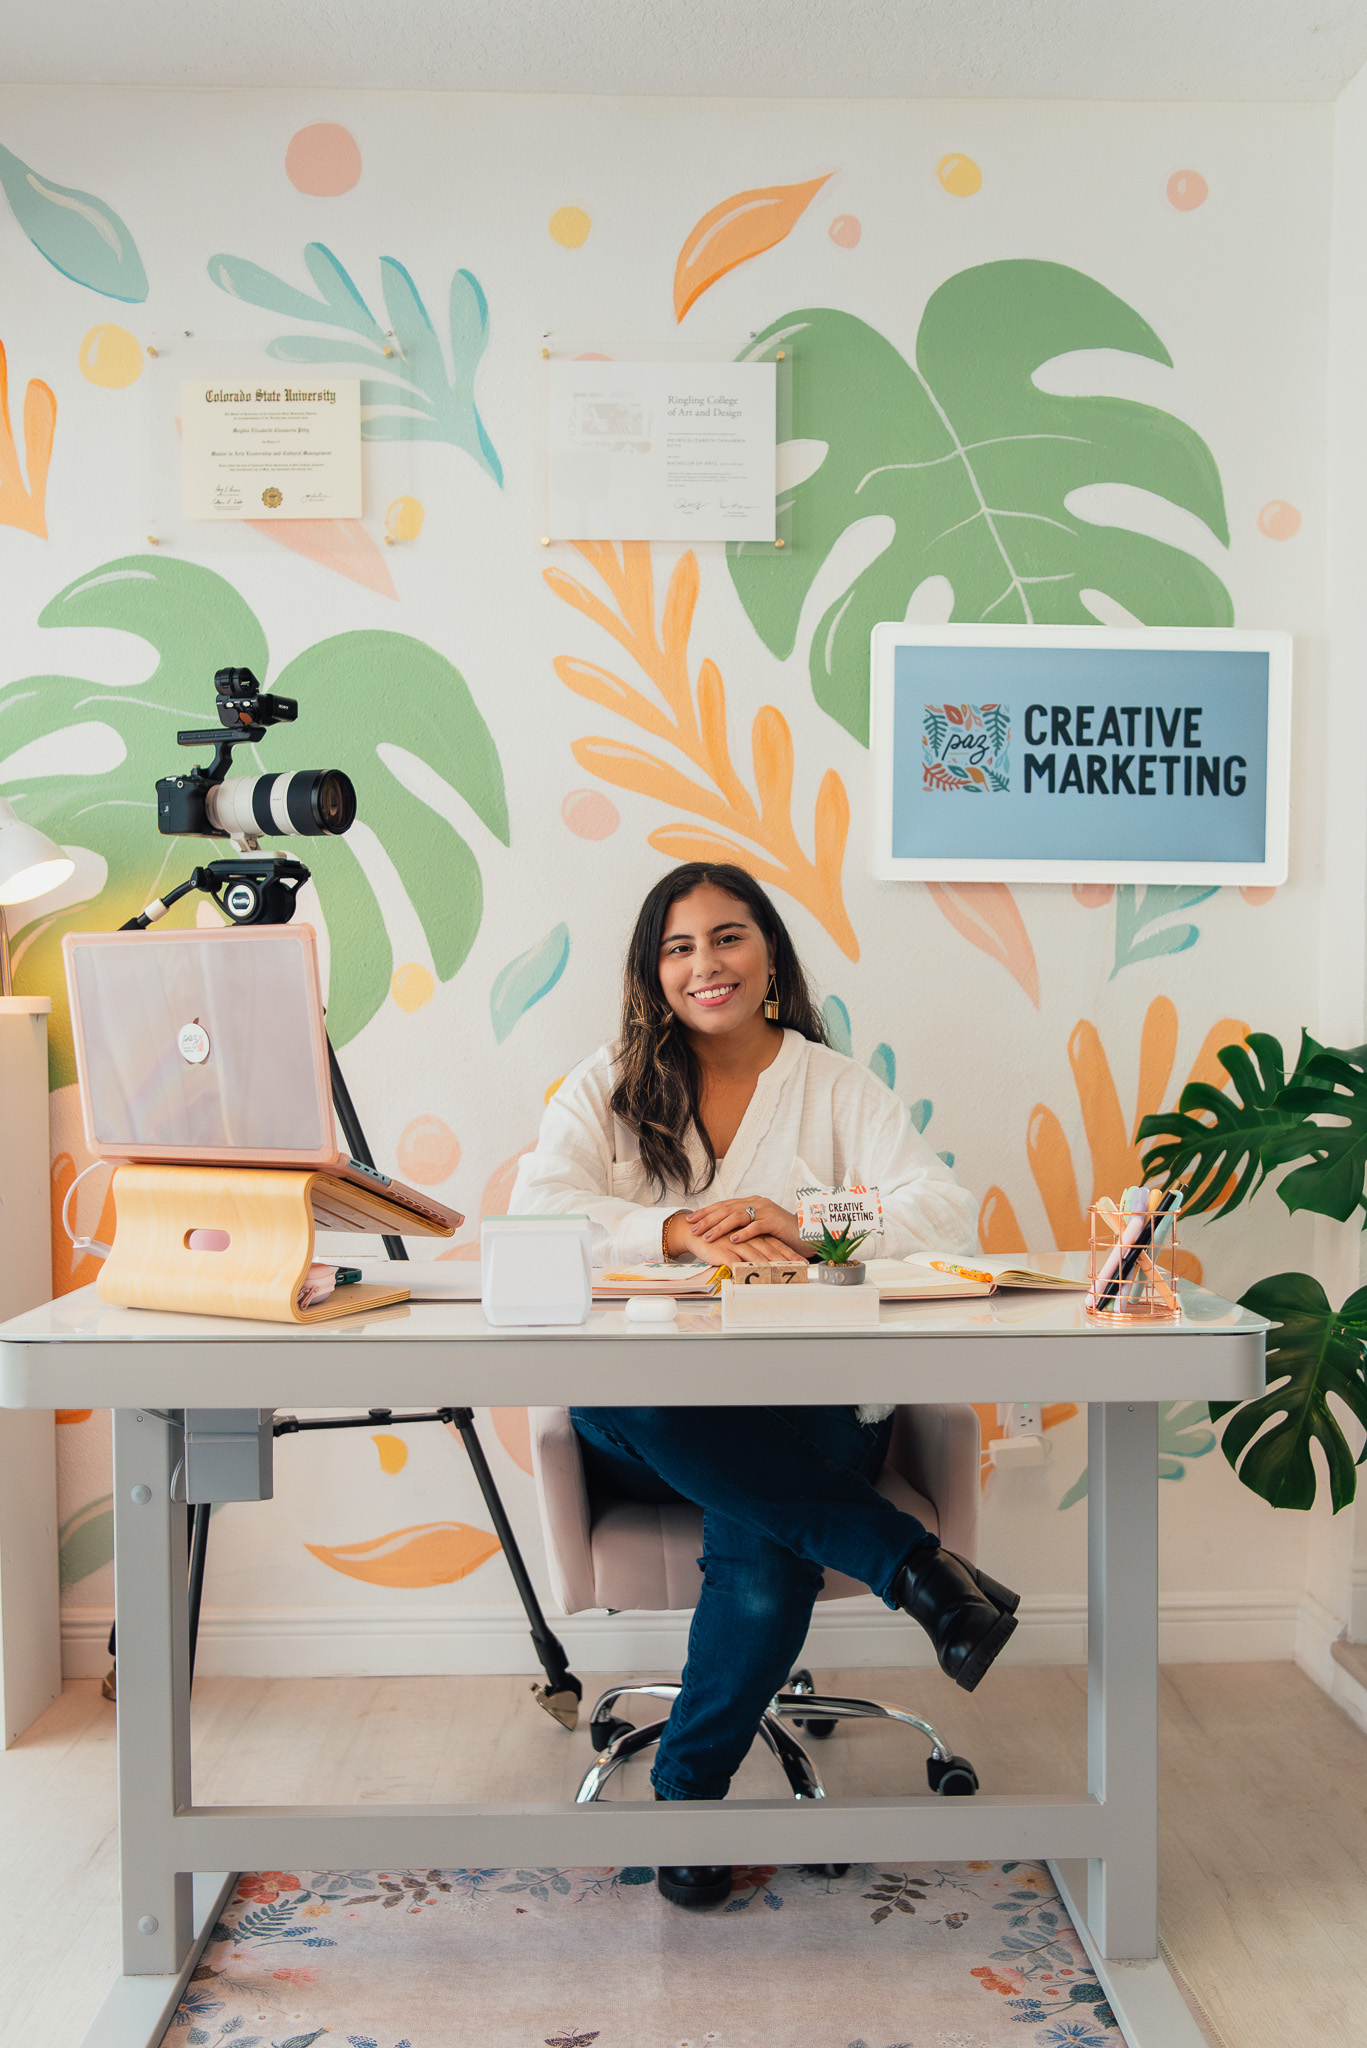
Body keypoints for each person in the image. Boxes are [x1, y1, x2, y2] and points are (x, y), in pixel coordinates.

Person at [509, 861, 1019, 1909]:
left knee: (763, 1528)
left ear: (769, 954)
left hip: (810, 1412)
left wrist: (816, 1223)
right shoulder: (603, 1084)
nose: (707, 964)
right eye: (679, 945)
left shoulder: (834, 1085)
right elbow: (535, 1212)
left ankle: (687, 1795)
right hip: (642, 1419)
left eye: (729, 937)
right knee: (650, 1396)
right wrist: (671, 1227)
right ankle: (913, 1566)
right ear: (652, 971)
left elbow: (946, 1214)